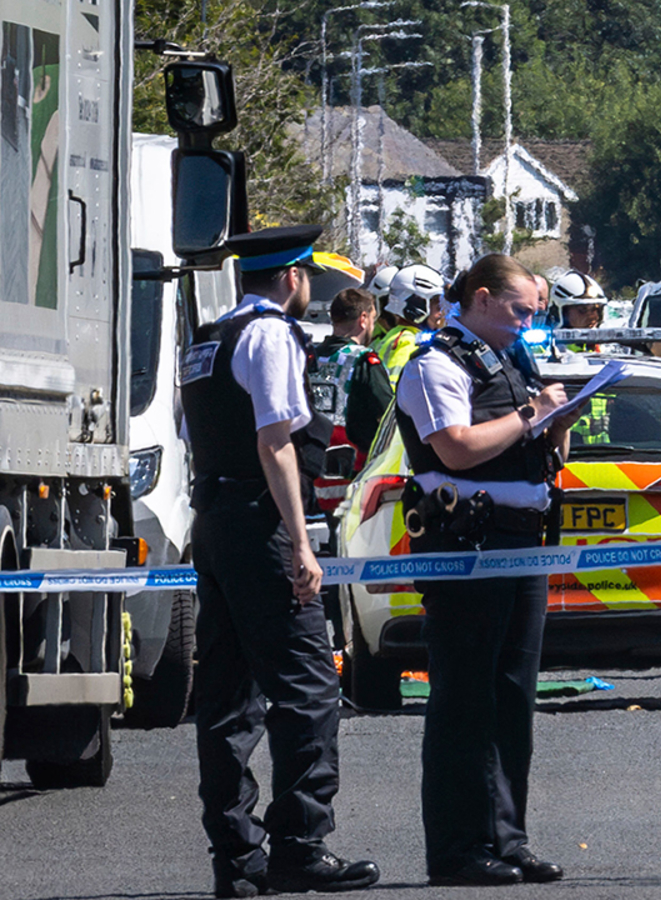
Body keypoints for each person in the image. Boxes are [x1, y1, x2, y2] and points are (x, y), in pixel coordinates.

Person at [178, 225, 380, 897]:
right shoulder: (269, 337)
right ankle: (299, 845)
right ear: (292, 278)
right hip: (259, 522)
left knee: (229, 699)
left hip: (215, 518)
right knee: (308, 688)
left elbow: (201, 438)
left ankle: (235, 861)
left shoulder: (208, 339)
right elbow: (275, 443)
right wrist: (301, 541)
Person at [394, 254, 581, 886]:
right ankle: (457, 847)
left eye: (534, 312)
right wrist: (532, 413)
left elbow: (539, 451)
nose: (529, 323)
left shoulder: (512, 360)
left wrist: (559, 421)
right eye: (519, 310)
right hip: (466, 542)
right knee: (464, 698)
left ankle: (507, 836)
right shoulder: (435, 362)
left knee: (511, 697)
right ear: (479, 298)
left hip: (521, 539)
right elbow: (456, 447)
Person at [308, 288, 393, 513]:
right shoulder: (364, 361)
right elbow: (389, 416)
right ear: (363, 319)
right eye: (373, 319)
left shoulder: (311, 358)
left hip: (312, 480)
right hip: (355, 482)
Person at [372, 263, 445, 385]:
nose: (440, 313)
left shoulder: (396, 335)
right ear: (416, 305)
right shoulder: (407, 341)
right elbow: (393, 388)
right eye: (436, 304)